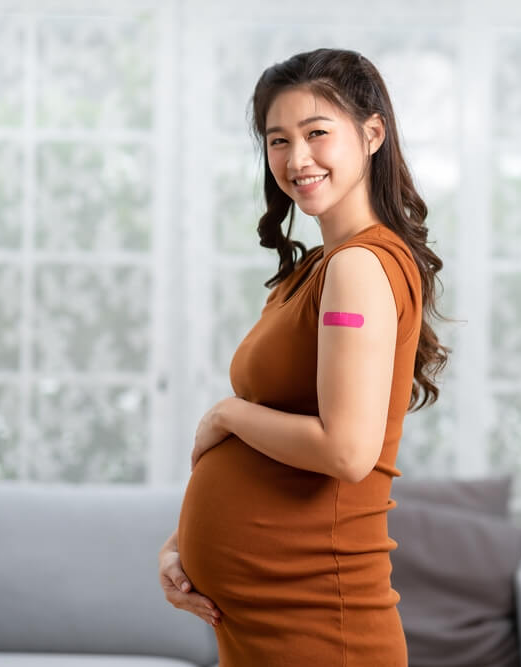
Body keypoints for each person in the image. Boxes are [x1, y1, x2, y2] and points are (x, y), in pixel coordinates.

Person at [158, 47, 451, 665]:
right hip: (274, 622)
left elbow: (346, 453)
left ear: (372, 134)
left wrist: (225, 416)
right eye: (278, 140)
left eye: (318, 133)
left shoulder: (357, 268)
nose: (297, 159)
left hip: (317, 625)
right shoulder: (321, 267)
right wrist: (184, 542)